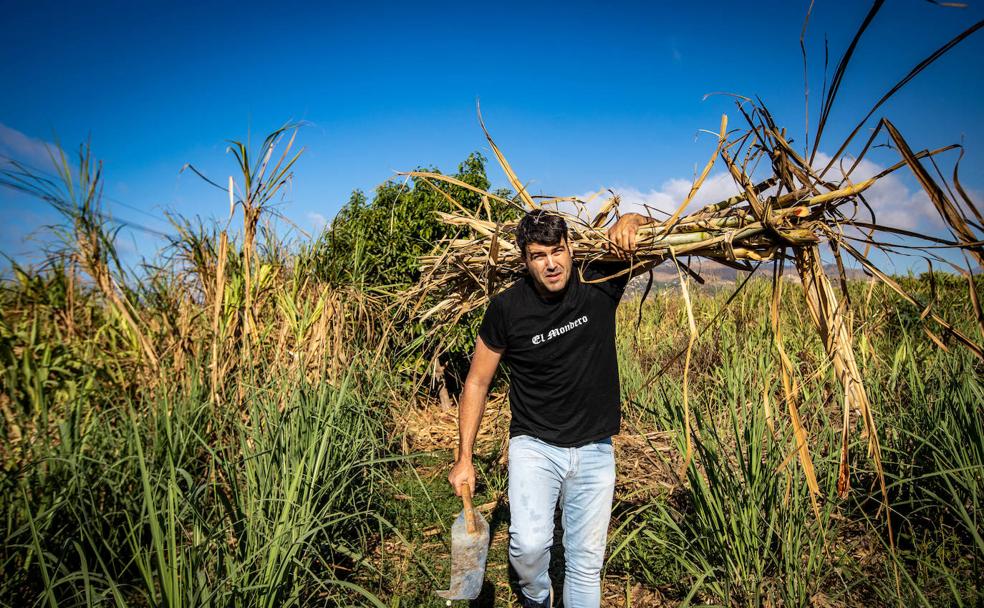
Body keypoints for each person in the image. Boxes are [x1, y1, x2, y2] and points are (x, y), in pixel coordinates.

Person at [447, 208, 649, 608]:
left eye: (557, 251)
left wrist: (632, 219)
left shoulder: (601, 280)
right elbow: (477, 381)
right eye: (539, 255)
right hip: (535, 444)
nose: (551, 264)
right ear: (525, 260)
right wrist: (464, 456)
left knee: (586, 563)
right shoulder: (508, 308)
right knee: (527, 548)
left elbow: (654, 235)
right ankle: (536, 596)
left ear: (571, 248)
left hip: (595, 447)